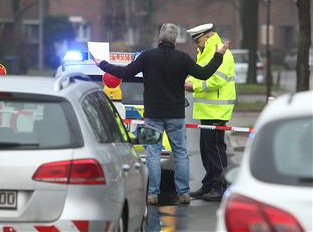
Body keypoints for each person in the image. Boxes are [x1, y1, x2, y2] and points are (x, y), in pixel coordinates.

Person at [93, 23, 230, 205]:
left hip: (152, 116)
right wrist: (219, 55)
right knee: (180, 153)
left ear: (159, 38)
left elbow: (125, 73)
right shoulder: (183, 58)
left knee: (152, 155)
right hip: (175, 115)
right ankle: (183, 193)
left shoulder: (147, 57)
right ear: (175, 40)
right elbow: (204, 74)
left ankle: (152, 194)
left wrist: (102, 64)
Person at [185, 23, 236, 201]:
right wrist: (188, 81)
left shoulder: (223, 53)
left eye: (198, 40)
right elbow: (199, 74)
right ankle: (209, 185)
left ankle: (220, 186)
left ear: (207, 37)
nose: (196, 45)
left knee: (215, 150)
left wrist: (194, 86)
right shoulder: (205, 53)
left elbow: (216, 81)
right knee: (206, 150)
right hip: (207, 110)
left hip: (217, 110)